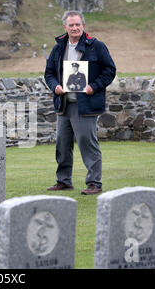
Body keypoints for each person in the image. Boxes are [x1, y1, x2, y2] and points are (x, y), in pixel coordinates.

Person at [44, 10, 116, 195]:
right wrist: (55, 87)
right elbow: (49, 73)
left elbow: (110, 70)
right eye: (71, 25)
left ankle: (94, 183)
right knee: (62, 144)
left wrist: (94, 86)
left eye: (78, 24)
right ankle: (64, 181)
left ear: (83, 25)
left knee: (87, 142)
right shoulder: (58, 48)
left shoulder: (96, 46)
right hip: (64, 104)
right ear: (65, 27)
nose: (74, 28)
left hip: (86, 105)